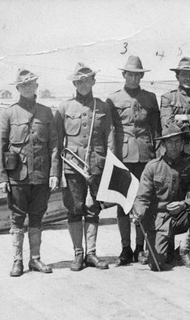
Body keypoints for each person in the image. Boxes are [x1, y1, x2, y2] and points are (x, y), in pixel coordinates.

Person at [0, 69, 59, 277]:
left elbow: (54, 145)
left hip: (40, 175)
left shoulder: (46, 112)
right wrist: (2, 177)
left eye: (31, 83)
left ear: (37, 86)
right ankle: (17, 261)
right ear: (17, 88)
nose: (28, 87)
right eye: (23, 85)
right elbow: (1, 146)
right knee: (16, 218)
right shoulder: (8, 113)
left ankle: (35, 259)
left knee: (37, 217)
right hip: (17, 176)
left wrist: (54, 173)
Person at [55, 63, 113, 271]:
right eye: (79, 81)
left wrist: (109, 166)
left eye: (87, 81)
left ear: (93, 82)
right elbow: (57, 143)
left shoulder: (102, 107)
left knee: (93, 209)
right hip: (72, 167)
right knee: (74, 209)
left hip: (96, 165)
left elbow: (109, 138)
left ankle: (92, 253)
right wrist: (58, 172)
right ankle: (78, 253)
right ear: (74, 83)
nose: (83, 85)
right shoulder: (64, 108)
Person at [132, 125, 190, 271]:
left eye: (177, 141)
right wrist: (139, 213)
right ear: (163, 145)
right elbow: (142, 198)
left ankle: (183, 250)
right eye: (169, 142)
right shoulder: (153, 167)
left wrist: (183, 204)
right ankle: (166, 250)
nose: (174, 146)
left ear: (182, 143)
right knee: (156, 264)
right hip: (159, 219)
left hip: (180, 216)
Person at [107, 55, 161, 266]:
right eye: (130, 74)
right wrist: (113, 157)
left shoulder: (150, 98)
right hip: (123, 157)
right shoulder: (113, 99)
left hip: (146, 156)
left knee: (143, 202)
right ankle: (125, 248)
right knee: (123, 204)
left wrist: (157, 154)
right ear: (124, 75)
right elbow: (111, 131)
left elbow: (155, 129)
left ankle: (140, 247)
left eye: (138, 75)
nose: (134, 78)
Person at [160, 57, 190, 156]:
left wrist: (183, 118)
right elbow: (168, 125)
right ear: (177, 77)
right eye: (184, 75)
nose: (188, 79)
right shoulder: (169, 97)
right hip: (176, 152)